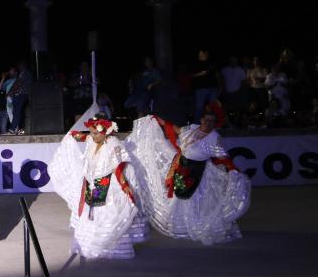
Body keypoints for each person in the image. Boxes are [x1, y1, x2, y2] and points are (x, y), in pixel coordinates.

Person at [127, 103, 251, 245]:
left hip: (199, 172)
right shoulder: (192, 128)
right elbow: (177, 130)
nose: (209, 123)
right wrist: (160, 121)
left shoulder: (214, 137)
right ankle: (179, 225)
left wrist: (232, 169)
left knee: (197, 199)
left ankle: (194, 224)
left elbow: (222, 157)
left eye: (212, 121)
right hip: (182, 167)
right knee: (177, 197)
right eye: (206, 120)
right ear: (202, 120)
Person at [48, 112, 145, 259]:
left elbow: (118, 168)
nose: (93, 136)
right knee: (89, 216)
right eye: (92, 133)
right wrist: (73, 134)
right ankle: (89, 244)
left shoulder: (114, 145)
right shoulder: (92, 140)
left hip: (108, 184)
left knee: (106, 215)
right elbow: (82, 136)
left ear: (106, 132)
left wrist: (125, 186)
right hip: (92, 184)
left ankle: (109, 247)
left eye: (97, 134)